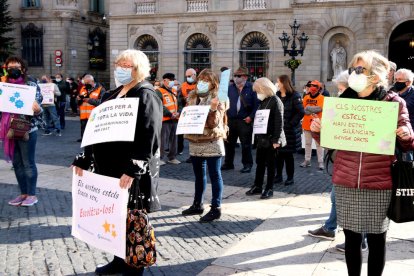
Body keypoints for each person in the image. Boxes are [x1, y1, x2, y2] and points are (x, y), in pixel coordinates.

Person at [310, 50, 414, 276]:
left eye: (360, 70)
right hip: (346, 181)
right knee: (351, 239)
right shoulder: (343, 101)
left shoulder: (393, 103)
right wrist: (318, 132)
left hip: (379, 183)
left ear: (375, 76)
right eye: (352, 70)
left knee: (377, 239)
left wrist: (406, 134)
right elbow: (331, 141)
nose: (353, 74)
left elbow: (407, 141)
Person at [72, 49, 162, 276]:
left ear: (139, 68)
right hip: (108, 170)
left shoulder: (146, 94)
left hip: (130, 172)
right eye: (118, 64)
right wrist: (83, 158)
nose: (120, 69)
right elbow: (97, 129)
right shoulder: (111, 95)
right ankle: (118, 260)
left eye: (127, 65)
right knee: (115, 218)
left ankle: (133, 268)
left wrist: (133, 169)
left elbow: (149, 136)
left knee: (132, 221)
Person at [181, 69, 228, 222]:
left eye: (206, 80)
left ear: (213, 83)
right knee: (199, 176)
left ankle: (216, 208)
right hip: (195, 141)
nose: (202, 82)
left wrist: (213, 109)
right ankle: (197, 204)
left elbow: (213, 124)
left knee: (215, 175)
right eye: (200, 79)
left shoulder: (218, 98)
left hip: (211, 141)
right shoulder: (192, 96)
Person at [0, 57, 43, 207]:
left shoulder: (30, 83)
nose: (13, 69)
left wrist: (37, 109)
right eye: (10, 66)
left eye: (16, 66)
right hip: (8, 129)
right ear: (5, 68)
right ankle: (23, 193)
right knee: (17, 163)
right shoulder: (2, 85)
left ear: (23, 69)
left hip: (27, 129)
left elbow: (39, 106)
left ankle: (32, 195)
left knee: (28, 163)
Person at [245, 77, 285, 199]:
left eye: (258, 91)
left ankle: (269, 188)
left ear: (264, 89)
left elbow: (279, 122)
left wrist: (276, 140)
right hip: (262, 139)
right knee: (260, 163)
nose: (257, 94)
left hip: (271, 138)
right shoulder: (264, 101)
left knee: (271, 165)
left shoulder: (275, 101)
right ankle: (257, 186)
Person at [222, 66, 258, 173]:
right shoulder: (230, 88)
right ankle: (228, 163)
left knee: (246, 144)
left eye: (239, 76)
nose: (236, 78)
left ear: (245, 77)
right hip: (231, 120)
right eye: (235, 76)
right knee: (228, 143)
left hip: (244, 120)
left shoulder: (252, 88)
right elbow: (224, 103)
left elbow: (257, 105)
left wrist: (251, 117)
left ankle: (247, 164)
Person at [274, 75, 304, 186]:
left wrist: (291, 123)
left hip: (289, 131)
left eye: (278, 82)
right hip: (279, 130)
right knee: (278, 155)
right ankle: (278, 176)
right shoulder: (276, 95)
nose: (277, 84)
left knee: (288, 156)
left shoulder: (294, 95)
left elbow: (301, 112)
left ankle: (290, 177)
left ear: (283, 83)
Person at [156, 73, 181, 165]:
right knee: (162, 140)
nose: (171, 81)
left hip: (174, 119)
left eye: (172, 80)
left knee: (174, 140)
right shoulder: (159, 91)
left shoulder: (174, 91)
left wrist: (178, 112)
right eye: (169, 80)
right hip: (165, 119)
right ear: (164, 81)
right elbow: (159, 105)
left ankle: (172, 157)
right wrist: (170, 114)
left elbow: (178, 104)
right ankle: (159, 158)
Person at [300, 80, 325, 169]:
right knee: (307, 143)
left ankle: (320, 162)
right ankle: (307, 160)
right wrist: (311, 109)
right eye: (311, 86)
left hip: (317, 125)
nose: (312, 88)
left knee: (319, 144)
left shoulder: (321, 98)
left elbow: (319, 109)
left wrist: (308, 108)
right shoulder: (306, 97)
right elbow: (303, 109)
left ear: (318, 88)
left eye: (314, 86)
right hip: (306, 124)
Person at [77, 74, 105, 142]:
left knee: (94, 130)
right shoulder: (83, 88)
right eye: (85, 83)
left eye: (87, 83)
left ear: (92, 81)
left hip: (94, 115)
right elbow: (78, 102)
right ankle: (83, 138)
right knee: (83, 127)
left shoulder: (101, 89)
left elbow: (101, 102)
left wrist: (89, 100)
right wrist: (78, 99)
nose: (86, 84)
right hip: (84, 114)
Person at [177, 68, 197, 155]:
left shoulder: (199, 85)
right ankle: (179, 148)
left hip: (195, 111)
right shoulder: (183, 85)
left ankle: (193, 151)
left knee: (193, 132)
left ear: (194, 75)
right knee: (180, 131)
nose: (187, 78)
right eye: (186, 76)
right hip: (185, 110)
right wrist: (183, 99)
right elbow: (179, 99)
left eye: (189, 76)